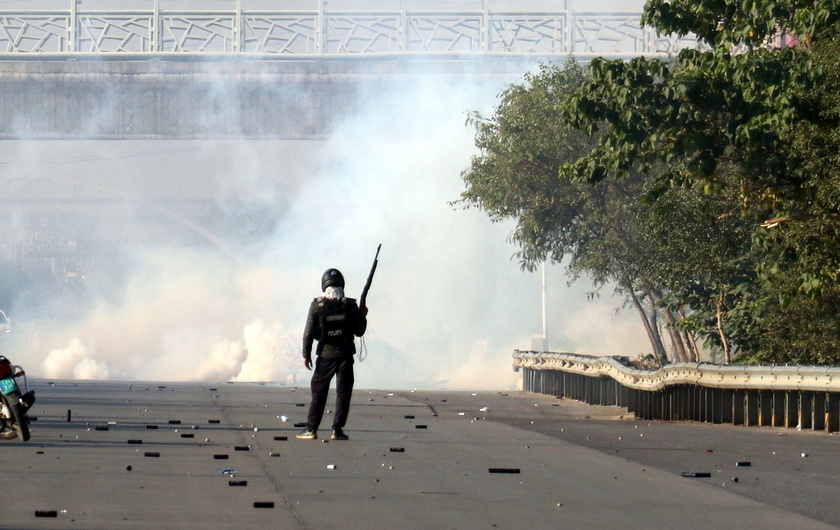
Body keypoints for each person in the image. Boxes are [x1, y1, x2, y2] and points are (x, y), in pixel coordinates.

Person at [297, 268, 367, 441]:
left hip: (325, 356)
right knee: (343, 394)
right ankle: (337, 429)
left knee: (318, 393)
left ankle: (311, 429)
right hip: (345, 356)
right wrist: (363, 315)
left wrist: (306, 355)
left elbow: (308, 333)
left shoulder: (317, 305)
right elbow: (359, 331)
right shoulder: (350, 305)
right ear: (342, 284)